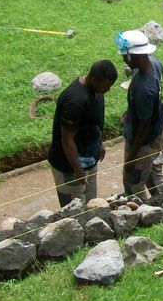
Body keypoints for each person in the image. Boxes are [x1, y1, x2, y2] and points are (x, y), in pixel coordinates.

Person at [46, 59, 117, 207]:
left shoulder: (97, 90)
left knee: (92, 204)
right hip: (70, 166)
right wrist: (77, 169)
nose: (107, 90)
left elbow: (95, 123)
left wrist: (100, 144)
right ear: (93, 79)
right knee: (74, 210)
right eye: (105, 86)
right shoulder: (75, 101)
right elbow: (66, 139)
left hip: (90, 160)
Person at [117, 30, 163, 200]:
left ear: (135, 56)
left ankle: (142, 212)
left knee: (133, 183)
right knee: (153, 175)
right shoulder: (154, 63)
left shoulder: (144, 89)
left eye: (125, 56)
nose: (124, 60)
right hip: (156, 130)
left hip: (144, 140)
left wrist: (132, 157)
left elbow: (144, 125)